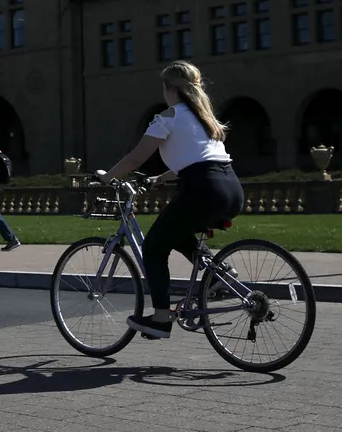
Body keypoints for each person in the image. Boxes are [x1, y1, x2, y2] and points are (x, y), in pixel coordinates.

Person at [95, 60, 243, 339]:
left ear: (171, 89)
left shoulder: (168, 117)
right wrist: (160, 179)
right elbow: (197, 160)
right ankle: (220, 275)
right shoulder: (203, 119)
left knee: (153, 247)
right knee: (176, 232)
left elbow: (138, 157)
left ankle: (161, 318)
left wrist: (108, 176)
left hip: (203, 190)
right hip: (230, 188)